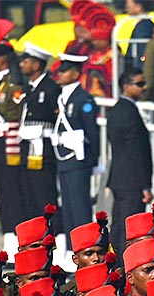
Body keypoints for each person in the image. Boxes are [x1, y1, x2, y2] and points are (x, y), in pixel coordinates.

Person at [51, 53, 101, 252]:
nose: (60, 74)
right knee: (69, 208)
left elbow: (92, 133)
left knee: (80, 209)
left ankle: (84, 250)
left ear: (75, 73)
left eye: (64, 71)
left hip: (79, 159)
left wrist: (94, 160)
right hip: (63, 158)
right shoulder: (61, 97)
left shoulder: (83, 99)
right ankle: (72, 251)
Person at [106, 68, 153, 254]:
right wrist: (145, 186)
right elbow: (135, 152)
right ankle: (125, 266)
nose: (144, 87)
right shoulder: (129, 112)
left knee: (118, 225)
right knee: (129, 227)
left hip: (119, 177)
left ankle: (115, 265)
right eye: (140, 84)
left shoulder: (117, 109)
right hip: (132, 180)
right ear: (126, 86)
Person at [16, 43, 62, 232]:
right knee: (29, 192)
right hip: (28, 145)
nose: (22, 65)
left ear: (37, 64)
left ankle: (53, 233)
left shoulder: (50, 88)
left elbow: (57, 117)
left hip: (43, 147)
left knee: (44, 192)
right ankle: (34, 234)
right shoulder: (29, 88)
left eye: (26, 61)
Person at [0, 42, 25, 250]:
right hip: (0, 139)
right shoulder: (2, 82)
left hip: (11, 141)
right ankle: (9, 234)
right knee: (2, 188)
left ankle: (15, 237)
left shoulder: (13, 83)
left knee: (12, 189)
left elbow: (15, 113)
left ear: (2, 59)